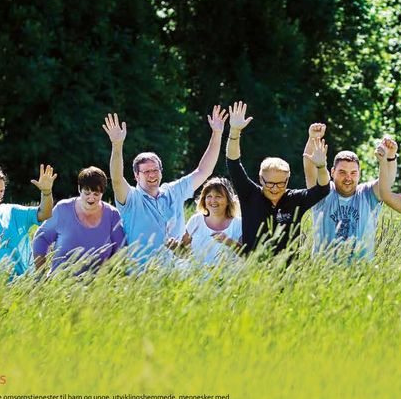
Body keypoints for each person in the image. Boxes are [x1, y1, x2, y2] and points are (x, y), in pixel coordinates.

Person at [103, 104, 227, 260]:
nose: (152, 175)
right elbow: (116, 178)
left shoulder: (173, 191)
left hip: (178, 276)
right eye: (146, 171)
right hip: (142, 277)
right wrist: (117, 145)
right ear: (136, 176)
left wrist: (217, 133)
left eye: (155, 170)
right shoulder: (131, 199)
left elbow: (203, 171)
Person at [224, 101, 331, 255]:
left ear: (287, 180)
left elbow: (323, 189)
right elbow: (233, 163)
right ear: (261, 179)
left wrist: (321, 167)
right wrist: (234, 132)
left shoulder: (296, 200)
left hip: (288, 275)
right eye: (270, 184)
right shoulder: (249, 194)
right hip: (252, 273)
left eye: (280, 184)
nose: (275, 189)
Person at [302, 123, 396, 259]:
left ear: (359, 174)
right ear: (332, 172)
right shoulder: (323, 193)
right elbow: (310, 170)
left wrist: (390, 157)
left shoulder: (367, 194)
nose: (348, 178)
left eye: (353, 173)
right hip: (323, 274)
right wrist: (313, 138)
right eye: (342, 172)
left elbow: (387, 183)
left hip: (362, 275)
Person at [32, 167, 125, 273]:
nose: (91, 198)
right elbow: (41, 238)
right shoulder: (63, 209)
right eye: (87, 193)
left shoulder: (112, 215)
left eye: (96, 194)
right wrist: (40, 275)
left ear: (102, 193)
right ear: (79, 189)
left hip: (98, 285)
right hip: (59, 284)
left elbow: (121, 251)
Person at [166, 177, 243, 265]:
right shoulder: (196, 220)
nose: (213, 201)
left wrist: (229, 242)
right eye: (209, 196)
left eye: (218, 196)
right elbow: (184, 254)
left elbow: (247, 256)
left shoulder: (238, 224)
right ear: (204, 200)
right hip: (195, 276)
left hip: (224, 277)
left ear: (228, 201)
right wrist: (175, 247)